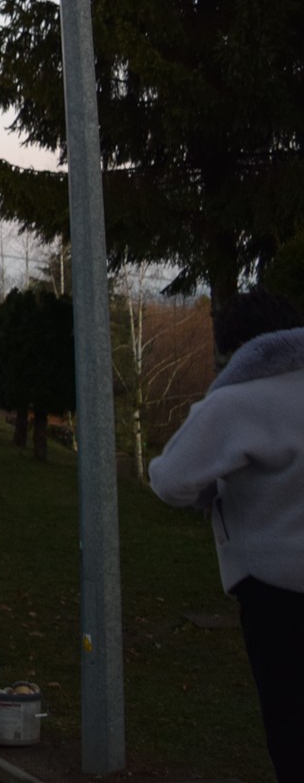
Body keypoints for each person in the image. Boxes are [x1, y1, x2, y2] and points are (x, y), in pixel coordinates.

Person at [149, 290, 304, 780]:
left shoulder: (236, 403)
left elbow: (171, 478)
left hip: (277, 591)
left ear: (236, 349)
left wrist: (214, 491)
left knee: (292, 729)